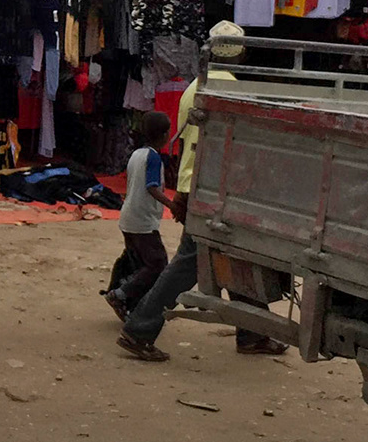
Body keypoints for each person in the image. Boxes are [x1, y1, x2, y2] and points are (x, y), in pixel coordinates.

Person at [118, 21, 290, 360]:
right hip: (217, 194)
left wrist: (183, 192)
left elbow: (189, 146)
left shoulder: (195, 87)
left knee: (236, 257)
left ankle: (253, 333)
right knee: (188, 265)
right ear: (239, 54)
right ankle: (139, 329)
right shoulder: (232, 91)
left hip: (198, 189)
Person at [103, 111, 179, 321]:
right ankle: (120, 295)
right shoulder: (153, 158)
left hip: (128, 216)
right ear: (164, 135)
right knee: (157, 264)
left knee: (138, 262)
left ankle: (132, 304)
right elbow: (152, 187)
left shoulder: (137, 154)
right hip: (142, 222)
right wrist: (171, 205)